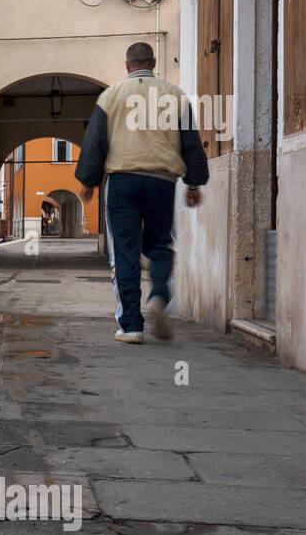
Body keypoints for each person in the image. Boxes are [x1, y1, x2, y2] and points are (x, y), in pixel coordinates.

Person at [74, 42, 209, 344]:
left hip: (122, 182)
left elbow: (96, 141)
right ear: (154, 62)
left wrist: (88, 180)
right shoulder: (175, 96)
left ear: (127, 65)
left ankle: (132, 325)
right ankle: (159, 294)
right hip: (162, 181)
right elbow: (191, 143)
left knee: (125, 251)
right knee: (160, 245)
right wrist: (194, 183)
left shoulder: (111, 96)